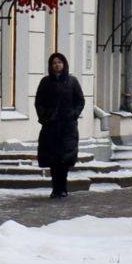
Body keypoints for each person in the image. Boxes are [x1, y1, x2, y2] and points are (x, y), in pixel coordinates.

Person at [33, 52, 85, 198]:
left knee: (65, 159)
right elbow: (38, 102)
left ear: (64, 64)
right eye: (54, 63)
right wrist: (44, 117)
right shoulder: (45, 82)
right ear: (50, 66)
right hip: (51, 127)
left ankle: (63, 187)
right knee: (53, 159)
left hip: (68, 127)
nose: (57, 65)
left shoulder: (72, 81)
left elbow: (80, 100)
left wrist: (74, 114)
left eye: (60, 62)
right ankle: (56, 188)